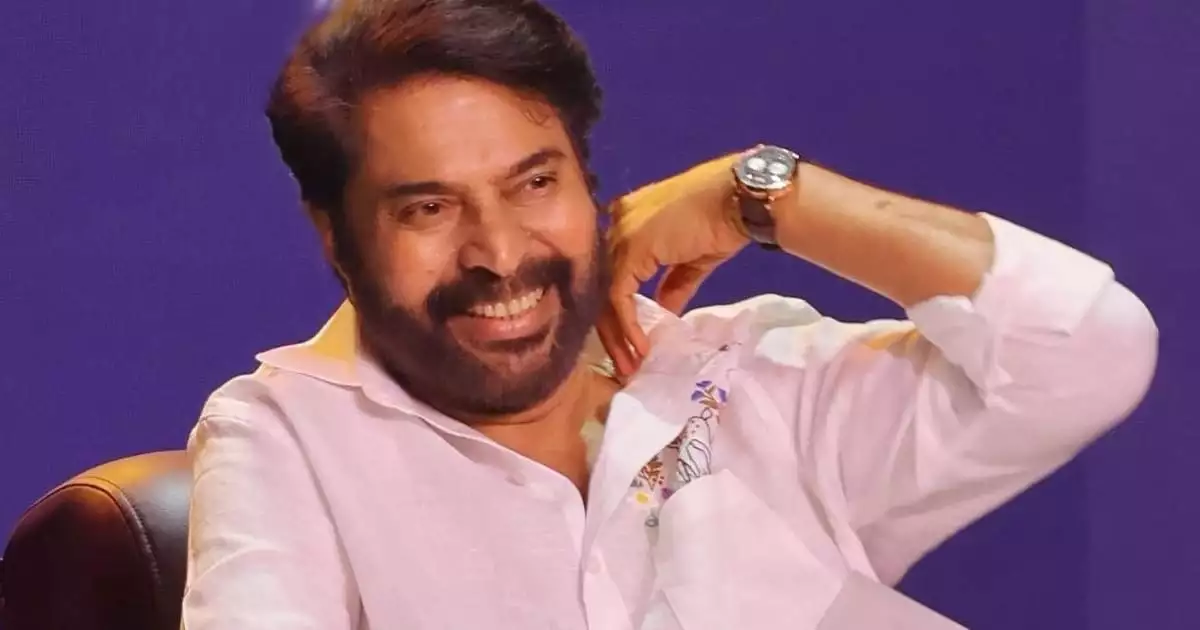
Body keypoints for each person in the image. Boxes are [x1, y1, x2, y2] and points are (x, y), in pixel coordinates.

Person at [181, 0, 1158, 628]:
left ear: (589, 181)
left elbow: (1090, 353)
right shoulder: (287, 437)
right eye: (428, 208)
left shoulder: (741, 371)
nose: (501, 253)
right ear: (335, 236)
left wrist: (768, 196)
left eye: (534, 183)